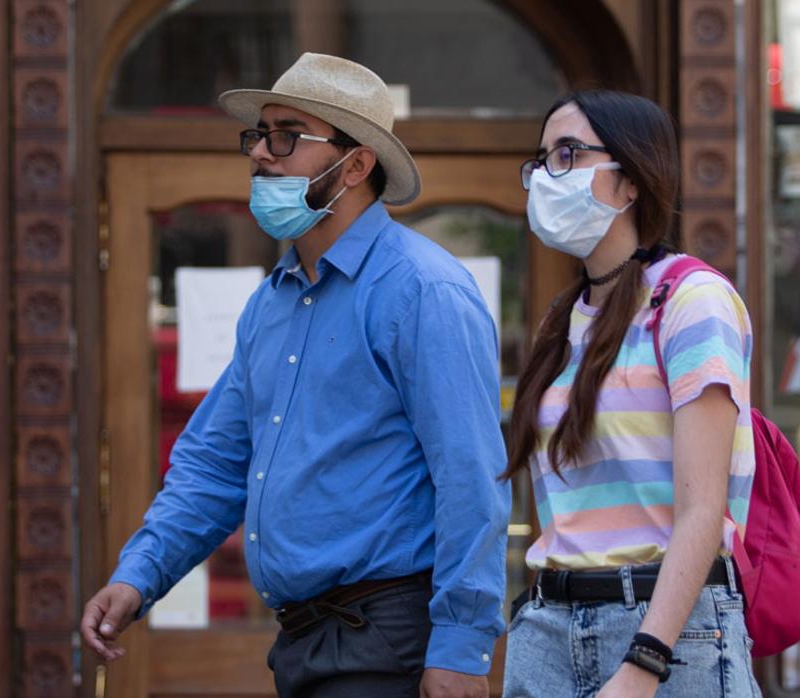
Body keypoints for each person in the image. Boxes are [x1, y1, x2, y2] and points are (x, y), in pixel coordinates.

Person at [80, 53, 511, 698]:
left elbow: (471, 479)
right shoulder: (273, 301)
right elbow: (214, 465)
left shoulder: (423, 291)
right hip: (305, 643)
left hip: (389, 639)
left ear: (357, 164)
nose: (261, 153)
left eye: (286, 135)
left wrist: (461, 648)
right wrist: (139, 575)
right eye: (257, 135)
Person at [500, 90, 761, 697]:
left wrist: (645, 660)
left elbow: (703, 511)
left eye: (567, 154)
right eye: (540, 160)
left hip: (666, 630)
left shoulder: (691, 299)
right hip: (547, 625)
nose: (546, 176)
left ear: (633, 180)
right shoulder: (561, 320)